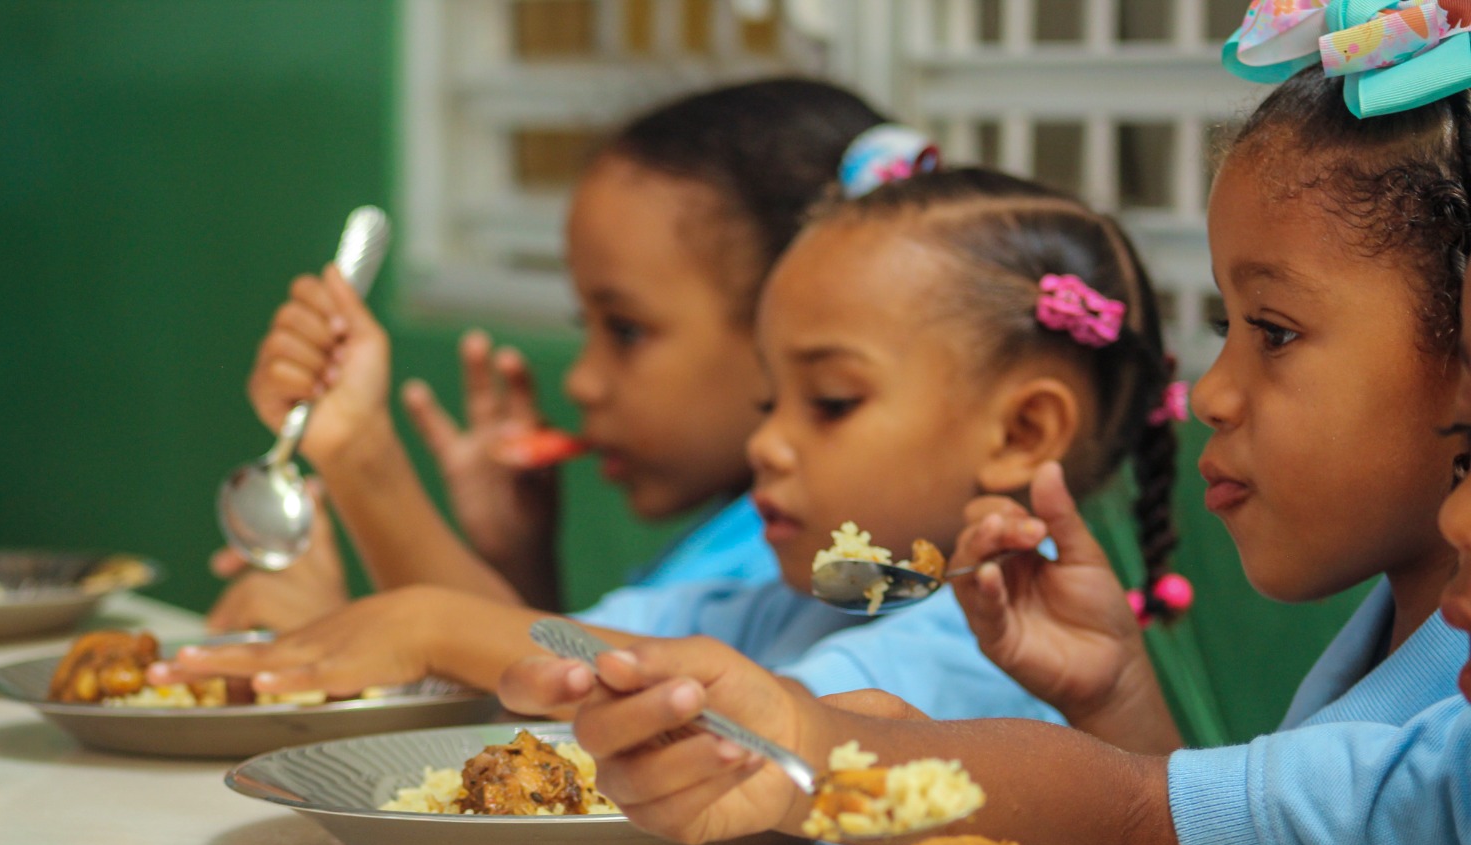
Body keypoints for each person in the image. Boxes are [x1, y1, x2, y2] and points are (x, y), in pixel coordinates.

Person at [495, 56, 1471, 845]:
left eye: (1275, 329)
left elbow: (1170, 838)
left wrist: (814, 742)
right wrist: (1119, 700)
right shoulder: (1392, 645)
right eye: (1225, 322)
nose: (1211, 392)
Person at [154, 151, 1182, 743]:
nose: (767, 444)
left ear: (1020, 432)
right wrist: (364, 477)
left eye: (826, 402)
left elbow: (752, 734)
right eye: (766, 399)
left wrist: (429, 621)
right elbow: (550, 652)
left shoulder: (981, 648)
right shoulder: (781, 599)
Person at [207, 79, 889, 632]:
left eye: (625, 331)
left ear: (786, 322)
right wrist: (520, 562)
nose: (584, 381)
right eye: (583, 325)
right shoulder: (739, 537)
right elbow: (557, 670)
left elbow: (549, 703)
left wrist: (360, 462)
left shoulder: (800, 557)